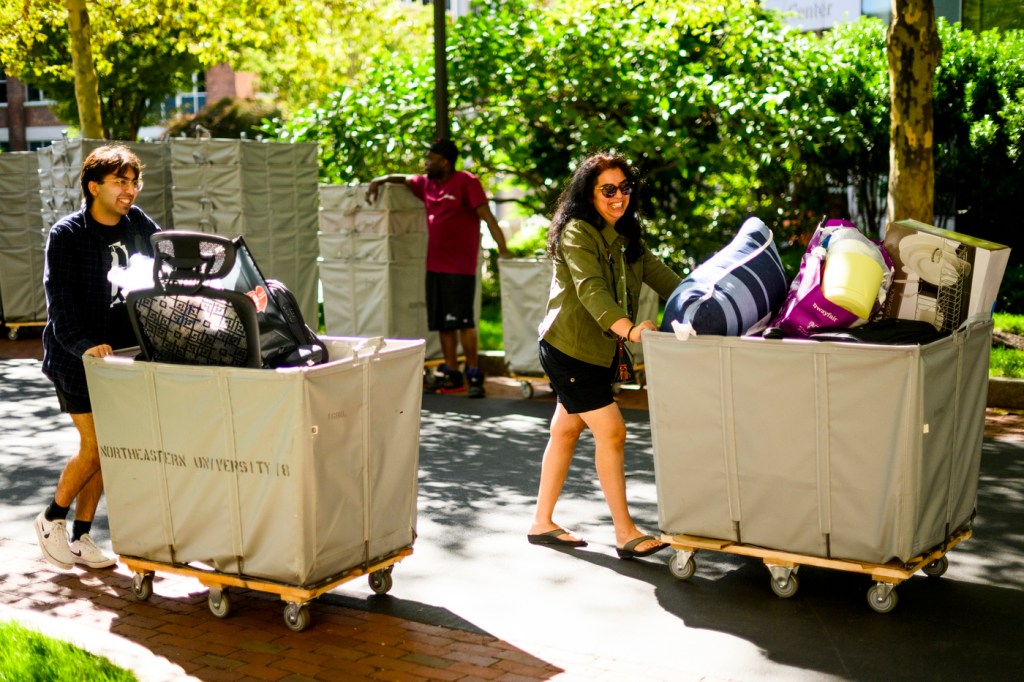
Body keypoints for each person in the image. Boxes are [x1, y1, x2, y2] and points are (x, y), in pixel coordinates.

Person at [528, 153, 682, 559]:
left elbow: (662, 275)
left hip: (593, 352)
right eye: (607, 190)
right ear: (589, 194)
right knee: (611, 431)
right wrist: (630, 330)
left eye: (624, 188)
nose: (618, 197)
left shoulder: (626, 235)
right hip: (568, 349)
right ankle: (624, 531)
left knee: (565, 431)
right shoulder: (578, 232)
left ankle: (541, 522)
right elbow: (591, 290)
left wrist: (703, 298)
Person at [34, 144, 160, 570]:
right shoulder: (68, 234)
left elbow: (168, 265)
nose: (130, 190)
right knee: (97, 445)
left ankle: (82, 535)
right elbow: (61, 300)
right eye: (120, 182)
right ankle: (51, 517)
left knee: (109, 447)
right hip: (77, 359)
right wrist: (83, 344)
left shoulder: (138, 223)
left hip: (121, 358)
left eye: (133, 181)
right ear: (94, 187)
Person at [366, 138, 510, 398]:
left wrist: (504, 251)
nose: (426, 163)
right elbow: (404, 178)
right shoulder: (427, 184)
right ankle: (453, 375)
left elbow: (487, 217)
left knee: (464, 322)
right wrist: (380, 179)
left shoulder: (467, 182)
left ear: (444, 161)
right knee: (444, 324)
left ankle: (474, 374)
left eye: (430, 159)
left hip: (460, 268)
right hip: (435, 267)